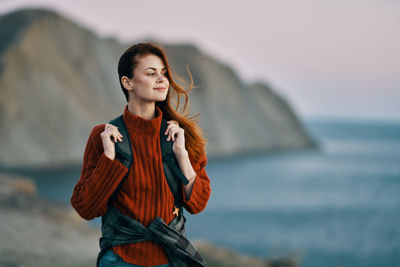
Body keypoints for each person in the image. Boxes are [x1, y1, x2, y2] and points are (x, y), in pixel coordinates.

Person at [70, 42, 211, 267]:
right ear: (128, 82)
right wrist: (108, 159)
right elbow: (85, 208)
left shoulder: (178, 136)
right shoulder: (103, 136)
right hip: (118, 261)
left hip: (171, 259)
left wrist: (182, 157)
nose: (162, 79)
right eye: (151, 73)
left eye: (163, 73)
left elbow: (198, 204)